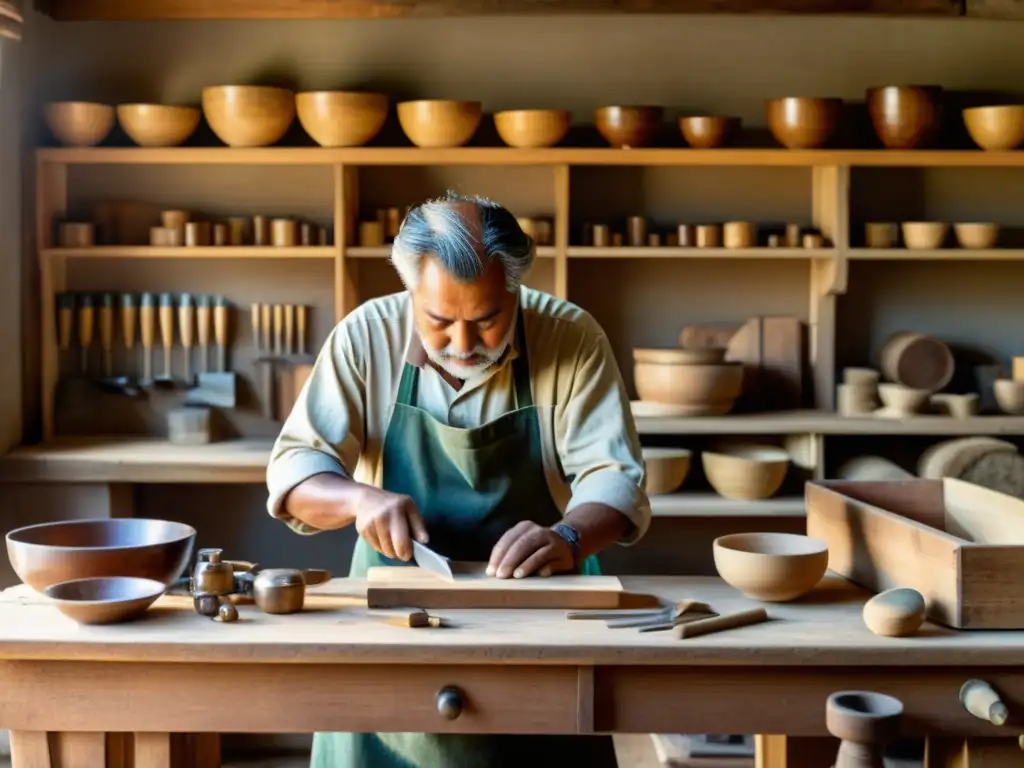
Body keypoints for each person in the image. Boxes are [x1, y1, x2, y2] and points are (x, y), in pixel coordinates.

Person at [266, 191, 650, 768]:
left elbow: (616, 481)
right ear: (410, 291)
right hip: (394, 619)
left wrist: (569, 538)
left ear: (515, 289)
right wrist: (357, 499)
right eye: (440, 321)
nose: (464, 344)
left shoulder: (571, 338)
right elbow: (295, 471)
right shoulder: (364, 336)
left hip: (538, 616)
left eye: (488, 320)